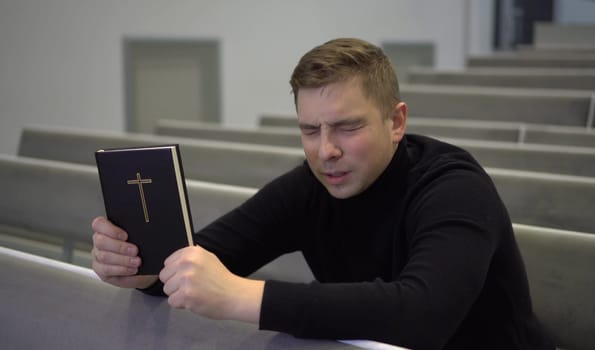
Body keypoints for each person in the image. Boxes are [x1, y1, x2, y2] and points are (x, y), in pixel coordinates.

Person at [91, 38, 554, 349]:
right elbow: (199, 261)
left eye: (347, 127)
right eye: (310, 130)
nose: (326, 151)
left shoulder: (455, 187)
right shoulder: (310, 187)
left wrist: (239, 298)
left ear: (396, 122)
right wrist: (140, 269)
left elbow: (424, 315)